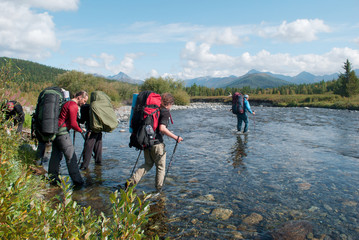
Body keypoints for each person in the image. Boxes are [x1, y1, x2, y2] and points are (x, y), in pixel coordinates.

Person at [126, 93, 183, 191]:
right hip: (157, 144)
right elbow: (162, 128)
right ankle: (159, 189)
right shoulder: (165, 111)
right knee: (160, 167)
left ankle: (130, 182)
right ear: (169, 103)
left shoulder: (153, 110)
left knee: (148, 164)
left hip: (147, 141)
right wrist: (176, 137)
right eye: (171, 104)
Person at [48, 91, 88, 186]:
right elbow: (74, 124)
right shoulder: (73, 105)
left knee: (55, 156)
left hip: (56, 132)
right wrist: (81, 130)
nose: (84, 103)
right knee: (71, 157)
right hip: (63, 134)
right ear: (79, 97)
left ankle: (52, 178)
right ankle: (78, 181)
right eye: (84, 100)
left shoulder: (66, 103)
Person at [77, 104, 103, 170]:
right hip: (99, 130)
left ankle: (84, 166)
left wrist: (77, 118)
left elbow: (82, 120)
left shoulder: (84, 107)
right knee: (98, 148)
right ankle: (98, 165)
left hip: (91, 131)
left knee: (88, 148)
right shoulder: (96, 107)